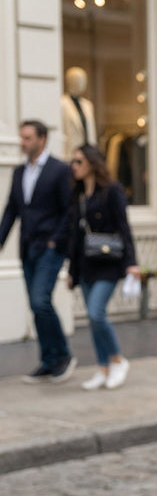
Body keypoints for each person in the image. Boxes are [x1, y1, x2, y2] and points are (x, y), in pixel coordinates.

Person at [0, 120, 76, 384]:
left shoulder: (60, 170)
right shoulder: (19, 171)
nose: (23, 143)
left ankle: (63, 355)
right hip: (27, 248)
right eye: (22, 138)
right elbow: (11, 210)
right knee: (36, 305)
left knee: (40, 300)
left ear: (42, 139)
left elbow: (69, 211)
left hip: (50, 249)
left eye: (28, 138)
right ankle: (48, 360)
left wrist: (55, 241)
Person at [66, 144, 139, 390]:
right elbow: (75, 238)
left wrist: (131, 264)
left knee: (97, 313)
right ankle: (103, 367)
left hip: (108, 263)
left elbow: (124, 228)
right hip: (85, 264)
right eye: (73, 162)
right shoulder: (77, 194)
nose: (74, 167)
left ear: (92, 164)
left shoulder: (112, 191)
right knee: (93, 318)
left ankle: (117, 360)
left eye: (79, 162)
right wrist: (72, 272)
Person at [61, 66, 98, 158]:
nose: (82, 83)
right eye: (78, 80)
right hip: (70, 153)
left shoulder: (87, 104)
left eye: (83, 80)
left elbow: (91, 132)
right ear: (69, 81)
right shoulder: (62, 103)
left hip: (88, 154)